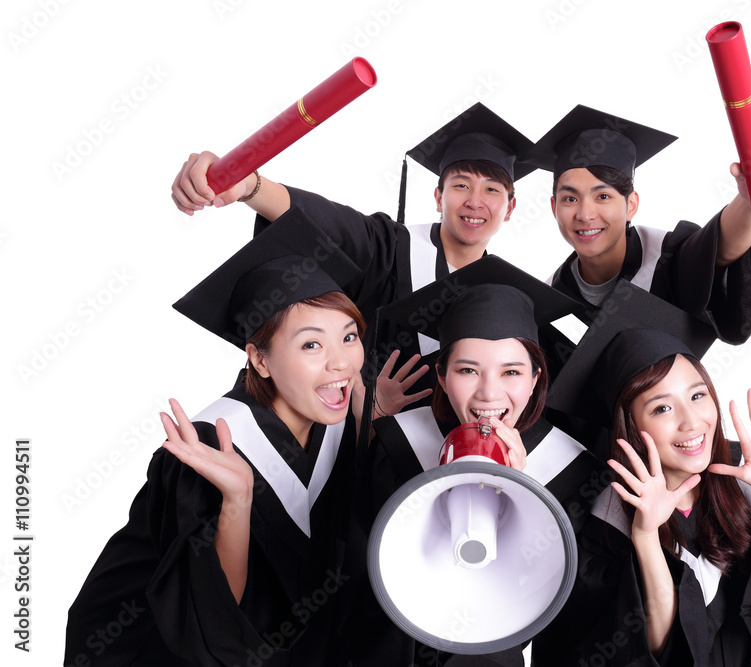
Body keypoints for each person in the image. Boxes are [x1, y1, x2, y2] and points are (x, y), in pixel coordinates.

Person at [65, 215, 368, 665]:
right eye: (311, 345)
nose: (341, 362)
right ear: (259, 360)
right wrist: (238, 499)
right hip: (152, 647)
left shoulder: (334, 421)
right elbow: (211, 610)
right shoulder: (207, 449)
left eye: (349, 336)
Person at [537, 282, 751, 666]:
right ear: (631, 427)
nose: (691, 422)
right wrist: (646, 535)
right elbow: (647, 652)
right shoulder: (598, 527)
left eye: (698, 395)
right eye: (661, 409)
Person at [170, 103, 537, 401]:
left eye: (492, 190)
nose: (475, 201)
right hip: (343, 440)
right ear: (439, 197)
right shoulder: (388, 247)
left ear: (510, 208)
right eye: (461, 185)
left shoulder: (503, 295)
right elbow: (327, 222)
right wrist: (250, 186)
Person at [347, 256, 603, 667]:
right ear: (443, 375)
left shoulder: (574, 471)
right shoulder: (393, 444)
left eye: (511, 372)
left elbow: (564, 617)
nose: (489, 394)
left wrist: (522, 490)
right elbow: (361, 588)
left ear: (536, 377)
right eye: (468, 370)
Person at [523, 104, 751, 345]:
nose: (585, 214)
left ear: (631, 204)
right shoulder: (551, 299)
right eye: (570, 198)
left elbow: (717, 249)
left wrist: (750, 198)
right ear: (553, 208)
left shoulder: (666, 255)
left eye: (603, 196)